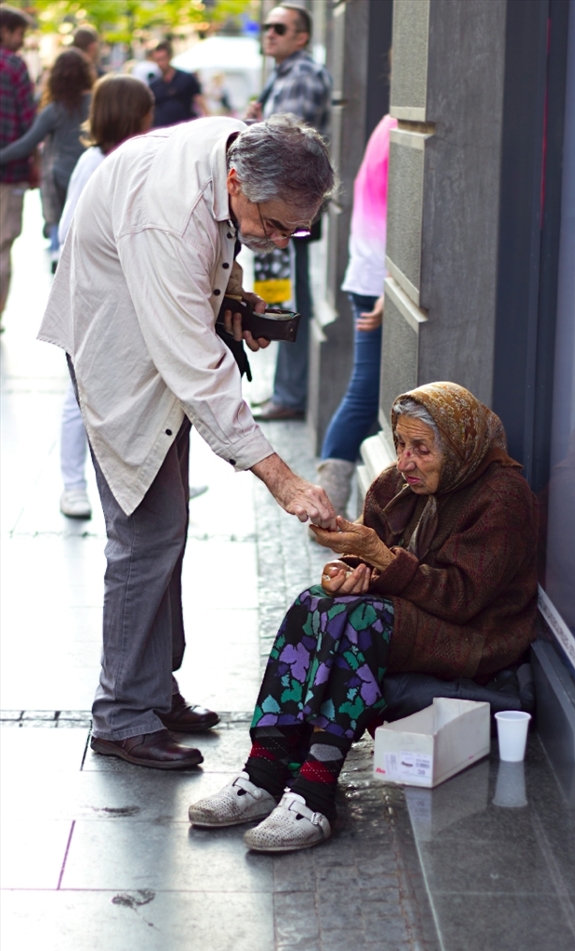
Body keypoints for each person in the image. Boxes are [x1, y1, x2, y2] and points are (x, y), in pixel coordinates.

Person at [38, 114, 338, 771]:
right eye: (277, 223)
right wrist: (282, 481)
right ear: (237, 182)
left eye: (296, 228)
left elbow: (210, 262)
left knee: (167, 524)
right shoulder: (168, 213)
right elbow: (198, 368)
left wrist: (230, 300)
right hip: (116, 348)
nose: (280, 239)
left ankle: (149, 692)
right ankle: (121, 715)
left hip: (156, 327)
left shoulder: (241, 150)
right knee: (146, 531)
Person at [188, 381, 539, 852]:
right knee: (314, 603)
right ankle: (264, 769)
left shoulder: (503, 496)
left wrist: (379, 558)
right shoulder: (396, 485)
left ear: (458, 445)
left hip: (472, 637)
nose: (406, 461)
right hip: (411, 613)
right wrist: (348, 573)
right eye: (400, 444)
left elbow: (461, 598)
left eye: (422, 449)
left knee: (362, 622)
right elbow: (372, 563)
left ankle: (314, 791)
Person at [57, 74, 155, 521]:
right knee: (81, 396)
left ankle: (147, 476)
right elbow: (67, 232)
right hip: (92, 299)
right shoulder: (92, 162)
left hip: (129, 300)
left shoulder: (143, 161)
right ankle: (72, 485)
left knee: (136, 393)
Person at [248, 3, 332, 422]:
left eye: (279, 28)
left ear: (301, 37)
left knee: (290, 298)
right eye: (266, 27)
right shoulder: (285, 74)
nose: (270, 33)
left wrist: (253, 129)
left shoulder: (300, 75)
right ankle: (285, 392)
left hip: (288, 214)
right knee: (280, 292)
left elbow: (286, 146)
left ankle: (290, 395)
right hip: (280, 212)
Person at [315, 113, 397, 515]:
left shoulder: (387, 124)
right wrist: (390, 286)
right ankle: (328, 504)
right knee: (365, 394)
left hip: (370, 275)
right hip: (375, 280)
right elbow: (394, 217)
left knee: (367, 392)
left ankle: (331, 502)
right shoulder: (399, 128)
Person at [0, 47, 94, 272]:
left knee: (64, 225)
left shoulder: (54, 110)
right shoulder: (95, 103)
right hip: (90, 174)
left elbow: (27, 143)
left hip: (60, 176)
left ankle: (62, 262)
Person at [0, 4, 36, 323]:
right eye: (20, 33)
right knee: (2, 245)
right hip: (8, 174)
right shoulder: (14, 65)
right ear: (5, 31)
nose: (22, 40)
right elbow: (29, 122)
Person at [149, 40, 208, 128]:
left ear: (170, 57)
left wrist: (208, 119)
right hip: (163, 129)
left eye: (163, 59)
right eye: (158, 60)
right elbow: (151, 109)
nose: (161, 63)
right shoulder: (154, 84)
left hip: (185, 127)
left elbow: (199, 100)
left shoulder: (187, 78)